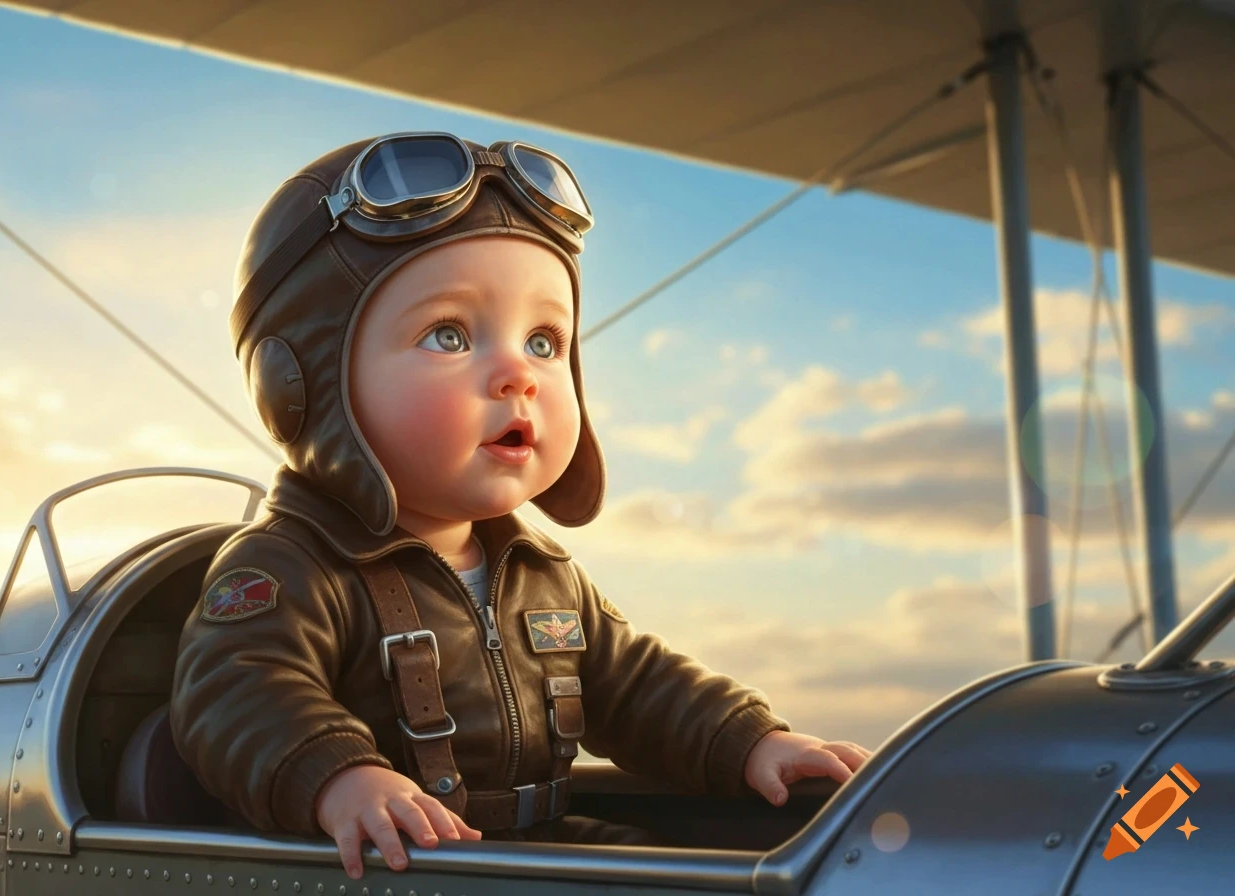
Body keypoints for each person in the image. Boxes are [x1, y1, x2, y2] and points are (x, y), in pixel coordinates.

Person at [170, 133, 872, 881]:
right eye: (449, 335)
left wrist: (750, 742)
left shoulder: (541, 571)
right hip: (401, 864)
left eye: (544, 341)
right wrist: (342, 779)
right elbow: (236, 690)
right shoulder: (286, 567)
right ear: (303, 384)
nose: (518, 374)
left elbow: (635, 684)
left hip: (537, 845)